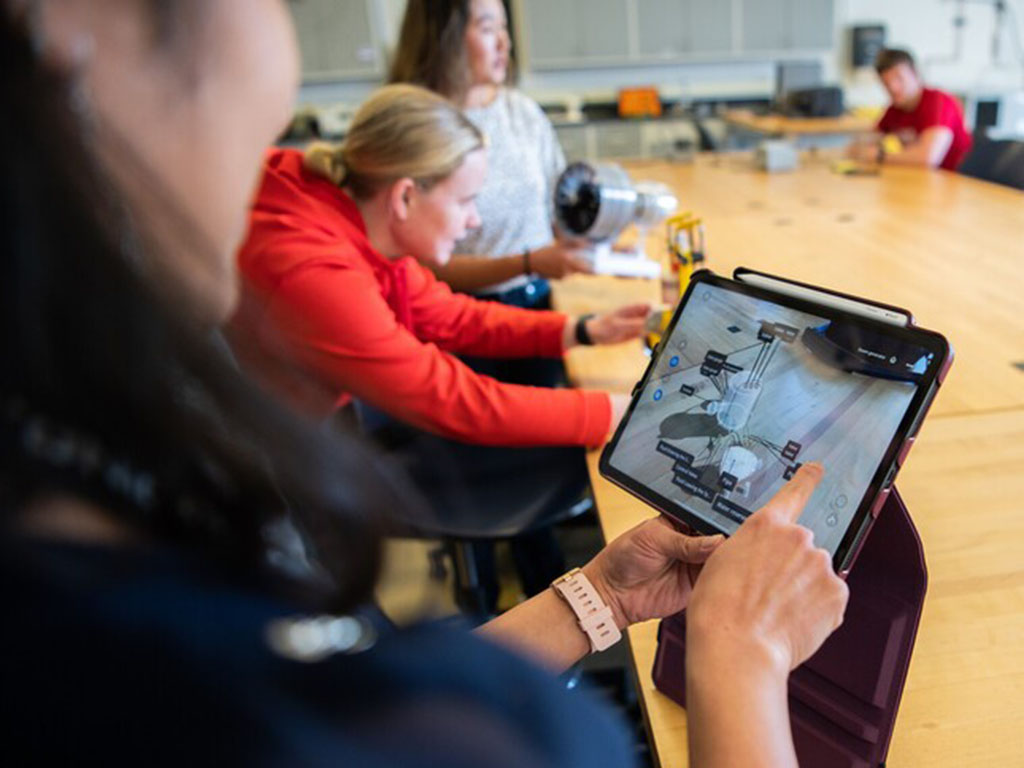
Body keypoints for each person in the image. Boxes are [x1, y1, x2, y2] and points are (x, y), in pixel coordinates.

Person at [0, 1, 848, 766]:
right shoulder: (302, 269)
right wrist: (741, 655)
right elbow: (446, 391)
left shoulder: (317, 205)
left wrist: (598, 591)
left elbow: (444, 315)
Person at [231, 84, 646, 609]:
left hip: (319, 424)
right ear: (405, 195)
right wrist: (613, 413)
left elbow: (449, 314)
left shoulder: (361, 221)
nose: (474, 219)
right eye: (466, 200)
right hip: (273, 459)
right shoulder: (316, 272)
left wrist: (577, 331)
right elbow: (452, 400)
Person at [390, 0, 590, 313]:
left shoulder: (521, 112)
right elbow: (420, 263)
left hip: (538, 299)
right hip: (457, 314)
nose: (504, 43)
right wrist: (525, 263)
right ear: (446, 38)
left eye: (503, 28)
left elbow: (560, 212)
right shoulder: (415, 127)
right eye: (487, 29)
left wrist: (601, 241)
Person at [851, 47, 972, 170]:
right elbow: (865, 142)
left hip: (958, 179)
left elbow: (927, 158)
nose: (893, 87)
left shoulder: (938, 102)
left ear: (915, 74)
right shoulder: (896, 108)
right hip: (925, 178)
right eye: (886, 83)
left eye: (898, 78)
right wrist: (864, 149)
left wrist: (879, 155)